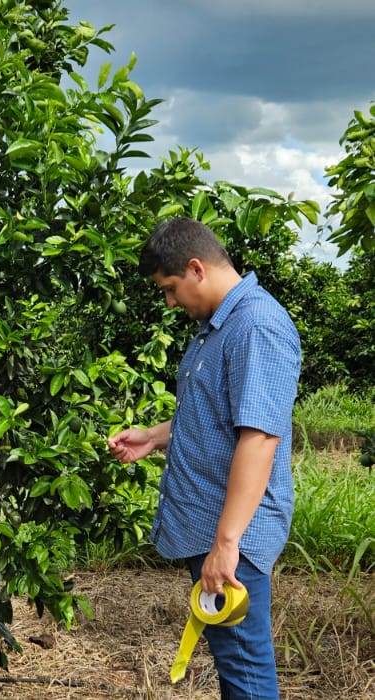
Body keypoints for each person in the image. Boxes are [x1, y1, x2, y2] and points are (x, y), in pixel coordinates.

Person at [108, 217, 300, 699]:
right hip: (215, 529)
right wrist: (153, 437)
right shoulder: (219, 327)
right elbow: (219, 416)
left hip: (233, 536)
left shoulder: (256, 326)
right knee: (235, 663)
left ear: (196, 268)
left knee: (245, 670)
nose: (170, 302)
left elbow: (259, 439)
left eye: (170, 289)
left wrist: (227, 543)